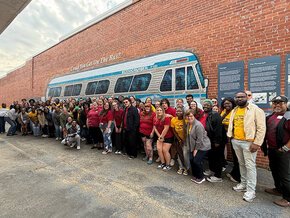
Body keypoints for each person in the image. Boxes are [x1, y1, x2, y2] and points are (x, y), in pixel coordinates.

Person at [227, 91, 266, 202]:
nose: (239, 99)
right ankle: (243, 184)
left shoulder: (255, 110)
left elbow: (261, 128)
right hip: (236, 141)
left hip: (249, 142)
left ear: (247, 98)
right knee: (241, 164)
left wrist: (257, 143)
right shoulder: (235, 110)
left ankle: (251, 190)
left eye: (242, 97)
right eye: (237, 97)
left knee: (250, 166)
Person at [262, 95, 290, 207]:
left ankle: (287, 198)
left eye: (280, 103)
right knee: (274, 170)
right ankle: (278, 189)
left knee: (285, 175)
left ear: (286, 104)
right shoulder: (271, 116)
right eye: (275, 103)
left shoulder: (288, 117)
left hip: (284, 151)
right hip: (272, 149)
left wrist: (285, 148)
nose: (277, 105)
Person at [201, 99, 224, 183]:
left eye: (208, 105)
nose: (206, 106)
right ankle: (211, 170)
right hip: (208, 140)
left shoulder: (215, 115)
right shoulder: (204, 114)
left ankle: (218, 176)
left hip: (216, 140)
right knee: (211, 156)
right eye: (204, 104)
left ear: (211, 106)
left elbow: (218, 129)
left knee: (217, 158)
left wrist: (217, 141)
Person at [185, 110, 211, 184]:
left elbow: (200, 139)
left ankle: (201, 177)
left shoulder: (198, 125)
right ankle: (195, 175)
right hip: (193, 145)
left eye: (191, 116)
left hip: (203, 146)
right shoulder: (188, 124)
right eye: (188, 116)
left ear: (194, 116)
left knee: (196, 161)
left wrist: (196, 149)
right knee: (191, 159)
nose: (189, 117)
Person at [220, 97, 240, 183]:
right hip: (228, 137)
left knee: (237, 157)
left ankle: (237, 176)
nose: (226, 105)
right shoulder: (224, 111)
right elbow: (220, 121)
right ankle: (234, 173)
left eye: (228, 103)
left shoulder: (235, 112)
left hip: (235, 136)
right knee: (234, 157)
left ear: (233, 103)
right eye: (225, 103)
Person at [154, 106, 174, 170]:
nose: (159, 111)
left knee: (165, 150)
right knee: (159, 150)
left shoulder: (166, 118)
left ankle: (168, 165)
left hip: (168, 136)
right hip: (160, 136)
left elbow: (166, 128)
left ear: (163, 111)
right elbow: (155, 128)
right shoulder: (155, 118)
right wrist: (159, 137)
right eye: (158, 110)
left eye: (160, 110)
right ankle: (163, 163)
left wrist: (161, 137)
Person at [171, 107, 187, 175]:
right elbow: (174, 130)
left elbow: (188, 131)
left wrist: (184, 140)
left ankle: (186, 168)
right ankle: (181, 167)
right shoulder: (173, 120)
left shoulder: (186, 120)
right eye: (177, 111)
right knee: (179, 154)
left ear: (183, 112)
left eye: (180, 111)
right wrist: (179, 140)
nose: (178, 112)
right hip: (178, 140)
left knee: (185, 155)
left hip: (186, 141)